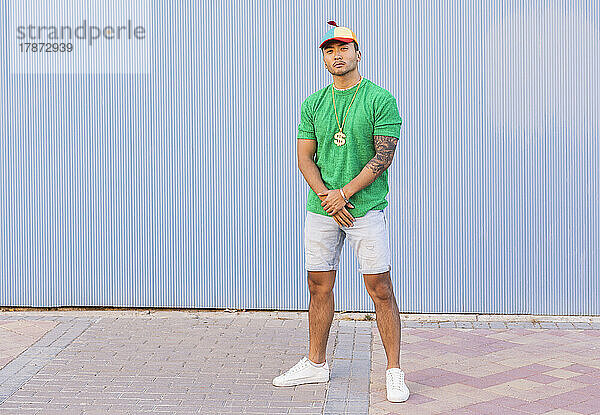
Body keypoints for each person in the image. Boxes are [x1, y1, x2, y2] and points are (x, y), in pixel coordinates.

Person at [272, 21, 409, 403]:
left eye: (344, 48)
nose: (337, 55)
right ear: (324, 58)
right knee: (318, 286)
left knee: (380, 288)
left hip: (364, 208)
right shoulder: (313, 102)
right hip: (322, 210)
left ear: (358, 53)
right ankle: (315, 364)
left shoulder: (380, 98)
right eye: (330, 51)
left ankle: (394, 371)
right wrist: (326, 196)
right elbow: (304, 156)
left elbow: (384, 156)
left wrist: (344, 194)